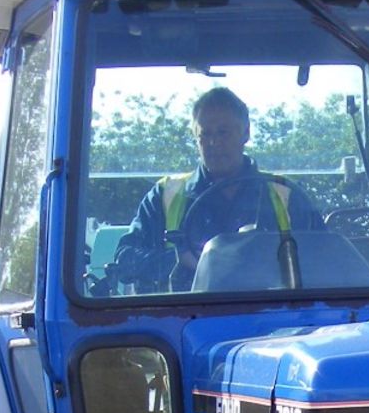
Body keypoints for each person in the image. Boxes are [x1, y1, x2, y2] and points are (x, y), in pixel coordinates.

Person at [113, 86, 323, 290]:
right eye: (205, 135)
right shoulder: (164, 196)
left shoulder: (285, 195)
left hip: (268, 317)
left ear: (246, 133)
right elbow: (125, 259)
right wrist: (181, 260)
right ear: (196, 137)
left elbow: (326, 259)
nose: (214, 143)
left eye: (223, 133)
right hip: (181, 320)